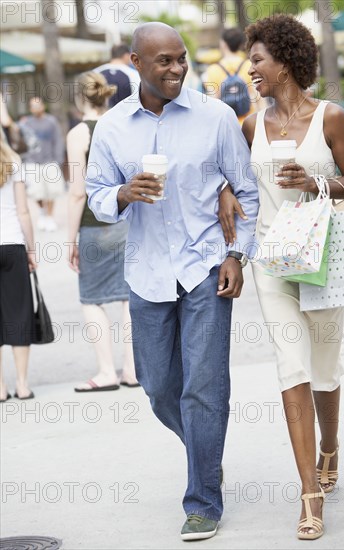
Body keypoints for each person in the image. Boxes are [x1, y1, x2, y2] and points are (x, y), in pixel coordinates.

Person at [86, 22, 259, 541]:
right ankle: (204, 456)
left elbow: (246, 193)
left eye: (181, 58)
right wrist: (122, 195)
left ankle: (203, 498)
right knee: (160, 388)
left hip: (206, 268)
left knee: (204, 389)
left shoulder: (216, 117)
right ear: (135, 63)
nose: (177, 69)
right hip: (147, 273)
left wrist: (236, 255)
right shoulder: (113, 128)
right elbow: (97, 194)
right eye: (163, 61)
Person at [218, 14, 344, 541]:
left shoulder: (331, 118)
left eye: (258, 59)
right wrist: (227, 195)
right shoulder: (250, 125)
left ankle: (330, 447)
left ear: (285, 61)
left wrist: (317, 182)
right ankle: (308, 493)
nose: (250, 69)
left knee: (326, 370)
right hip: (272, 263)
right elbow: (234, 182)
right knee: (291, 366)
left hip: (322, 258)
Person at [66, 72, 139, 391]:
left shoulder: (78, 133)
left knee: (91, 299)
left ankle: (107, 371)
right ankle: (133, 371)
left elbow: (77, 192)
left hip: (94, 226)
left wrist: (70, 240)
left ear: (80, 98)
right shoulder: (119, 126)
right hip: (124, 221)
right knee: (127, 299)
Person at [0, 128, 37, 402]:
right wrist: (31, 249)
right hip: (13, 244)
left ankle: (0, 388)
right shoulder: (13, 160)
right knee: (19, 312)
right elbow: (23, 211)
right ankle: (22, 385)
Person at [202, 27, 265, 125]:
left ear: (223, 44)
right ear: (240, 44)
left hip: (226, 125)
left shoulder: (213, 70)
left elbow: (211, 104)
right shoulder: (250, 66)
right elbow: (259, 99)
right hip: (249, 124)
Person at [21, 97, 65, 232]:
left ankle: (50, 217)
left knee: (52, 191)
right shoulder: (26, 123)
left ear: (43, 106)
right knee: (36, 192)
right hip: (32, 162)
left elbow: (58, 140)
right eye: (32, 106)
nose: (36, 108)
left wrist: (58, 160)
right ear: (30, 109)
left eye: (38, 105)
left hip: (49, 161)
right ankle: (42, 212)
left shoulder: (51, 121)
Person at [94, 43, 140, 108]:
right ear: (126, 56)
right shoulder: (134, 74)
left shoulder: (95, 72)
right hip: (125, 116)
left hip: (99, 116)